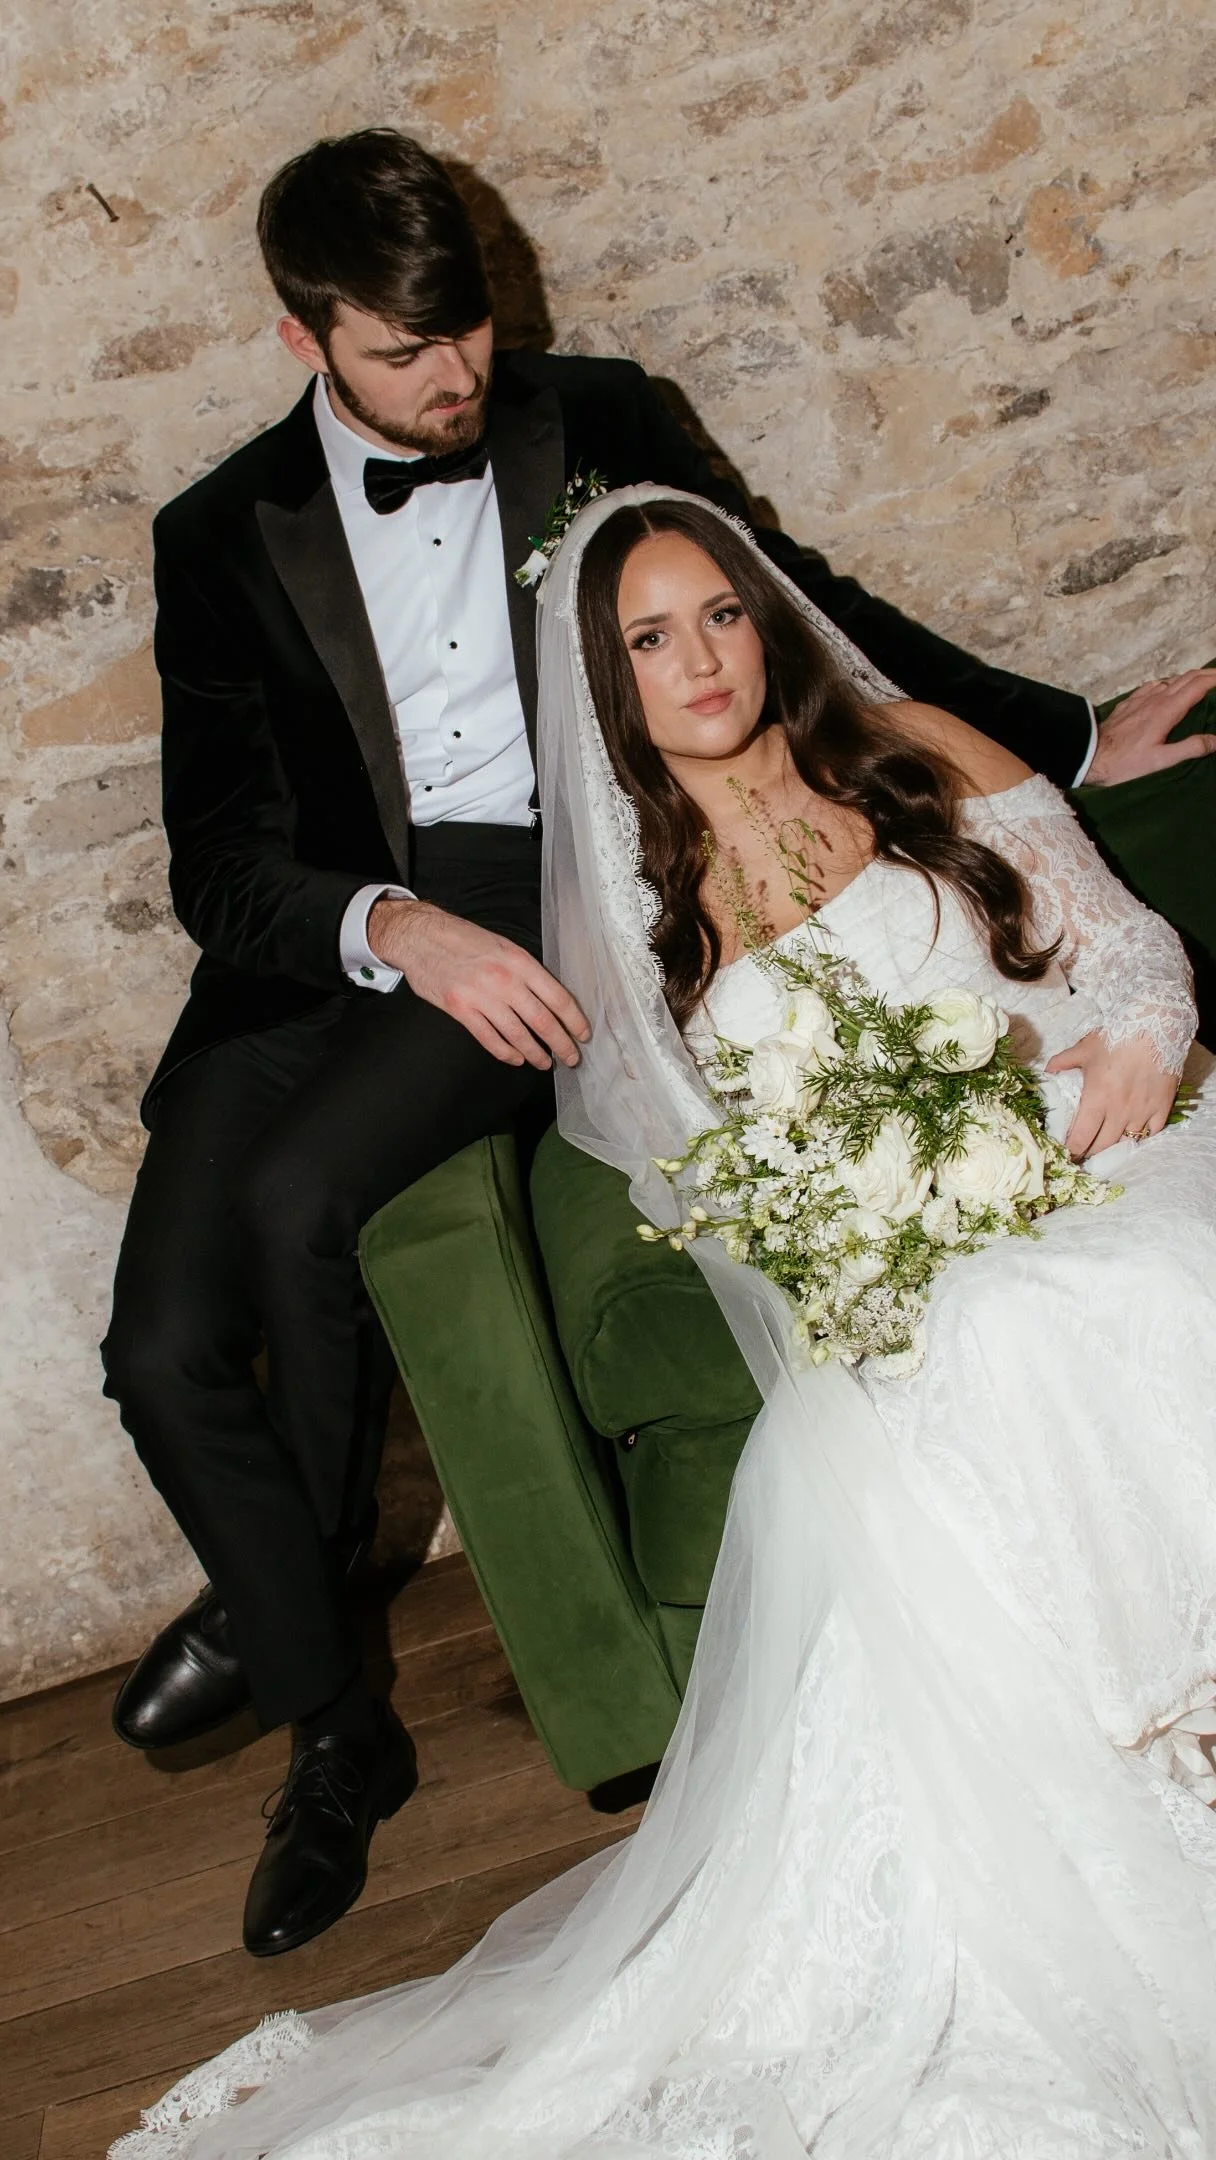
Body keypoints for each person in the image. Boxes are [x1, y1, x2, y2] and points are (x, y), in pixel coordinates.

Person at [102, 121, 1215, 1962]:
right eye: (404, 352)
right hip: (324, 940)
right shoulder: (216, 535)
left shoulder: (594, 417)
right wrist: (387, 925)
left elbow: (796, 607)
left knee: (306, 1210)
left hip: (540, 897)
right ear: (307, 339)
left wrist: (1078, 735)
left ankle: (327, 1731)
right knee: (155, 1346)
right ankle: (277, 1592)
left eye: (468, 328)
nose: (457, 376)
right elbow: (217, 855)